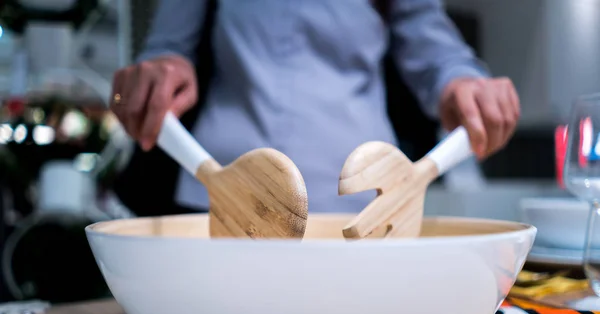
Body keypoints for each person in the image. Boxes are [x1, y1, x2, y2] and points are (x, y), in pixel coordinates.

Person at [110, 0, 520, 213]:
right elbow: (167, 46)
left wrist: (463, 82)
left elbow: (437, 53)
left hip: (360, 198)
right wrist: (157, 74)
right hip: (225, 193)